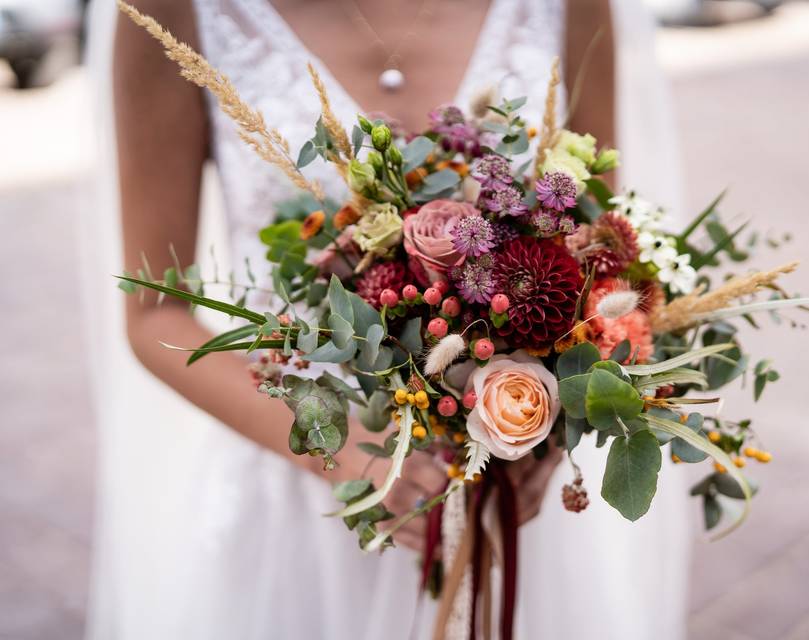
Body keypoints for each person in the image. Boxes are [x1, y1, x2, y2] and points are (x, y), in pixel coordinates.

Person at [83, 1, 689, 637]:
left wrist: (548, 419)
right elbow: (153, 315)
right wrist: (344, 454)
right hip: (303, 494)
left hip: (508, 495)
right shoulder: (166, 10)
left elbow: (600, 252)